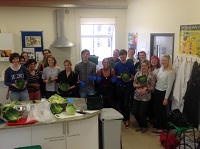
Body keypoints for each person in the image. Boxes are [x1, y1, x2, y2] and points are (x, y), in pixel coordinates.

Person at [152, 54, 175, 134]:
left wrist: (166, 98)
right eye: (162, 60)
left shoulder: (171, 72)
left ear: (169, 61)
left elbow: (169, 86)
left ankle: (161, 128)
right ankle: (160, 127)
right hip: (157, 91)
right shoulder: (161, 69)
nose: (163, 62)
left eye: (165, 60)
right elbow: (157, 79)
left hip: (163, 93)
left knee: (162, 111)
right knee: (157, 110)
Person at [114, 49, 136, 128]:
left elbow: (134, 75)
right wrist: (121, 77)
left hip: (128, 87)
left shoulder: (130, 64)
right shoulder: (117, 65)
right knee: (120, 104)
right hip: (119, 86)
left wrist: (130, 79)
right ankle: (123, 116)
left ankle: (127, 119)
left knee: (126, 104)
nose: (122, 56)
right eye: (121, 55)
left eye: (124, 55)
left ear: (126, 55)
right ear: (119, 56)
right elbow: (115, 75)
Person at [132, 60, 155, 133]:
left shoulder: (152, 75)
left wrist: (146, 89)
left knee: (141, 113)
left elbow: (152, 87)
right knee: (135, 112)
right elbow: (134, 84)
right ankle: (140, 125)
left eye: (145, 65)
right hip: (137, 95)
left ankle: (145, 126)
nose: (143, 67)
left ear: (148, 66)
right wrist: (139, 86)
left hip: (146, 96)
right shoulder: (138, 74)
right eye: (142, 65)